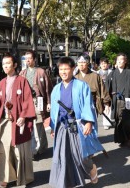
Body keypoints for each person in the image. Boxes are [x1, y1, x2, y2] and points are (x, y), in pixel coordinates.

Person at [49, 56, 104, 188]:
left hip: (77, 123)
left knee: (81, 154)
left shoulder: (81, 86)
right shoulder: (56, 88)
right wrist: (52, 126)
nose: (63, 72)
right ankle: (66, 182)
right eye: (61, 69)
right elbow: (54, 110)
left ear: (73, 69)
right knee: (62, 155)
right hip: (62, 125)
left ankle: (92, 169)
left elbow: (88, 105)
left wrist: (89, 122)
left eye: (66, 69)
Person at [0, 54, 36, 188]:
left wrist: (23, 116)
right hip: (4, 120)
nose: (5, 66)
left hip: (18, 122)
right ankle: (3, 179)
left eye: (8, 63)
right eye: (3, 64)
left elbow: (27, 100)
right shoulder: (2, 82)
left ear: (15, 65)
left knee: (18, 151)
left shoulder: (22, 81)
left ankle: (23, 178)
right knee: (0, 149)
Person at [19, 50, 53, 158]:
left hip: (38, 99)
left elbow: (48, 88)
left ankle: (41, 146)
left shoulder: (41, 72)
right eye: (26, 58)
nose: (27, 60)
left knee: (38, 122)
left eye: (29, 58)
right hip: (26, 101)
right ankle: (33, 148)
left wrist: (49, 102)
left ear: (34, 59)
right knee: (28, 124)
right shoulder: (22, 73)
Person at [74, 54, 111, 128]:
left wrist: (106, 103)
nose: (81, 64)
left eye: (83, 62)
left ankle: (92, 139)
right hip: (77, 105)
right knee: (79, 126)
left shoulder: (95, 76)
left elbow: (102, 89)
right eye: (79, 62)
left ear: (88, 63)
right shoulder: (74, 77)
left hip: (92, 104)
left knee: (91, 125)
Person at [97, 57, 114, 129]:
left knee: (109, 106)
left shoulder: (111, 72)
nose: (104, 65)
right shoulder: (97, 73)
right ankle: (106, 122)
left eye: (105, 63)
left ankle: (107, 122)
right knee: (103, 107)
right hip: (100, 92)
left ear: (108, 65)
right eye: (102, 64)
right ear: (100, 65)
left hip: (109, 91)